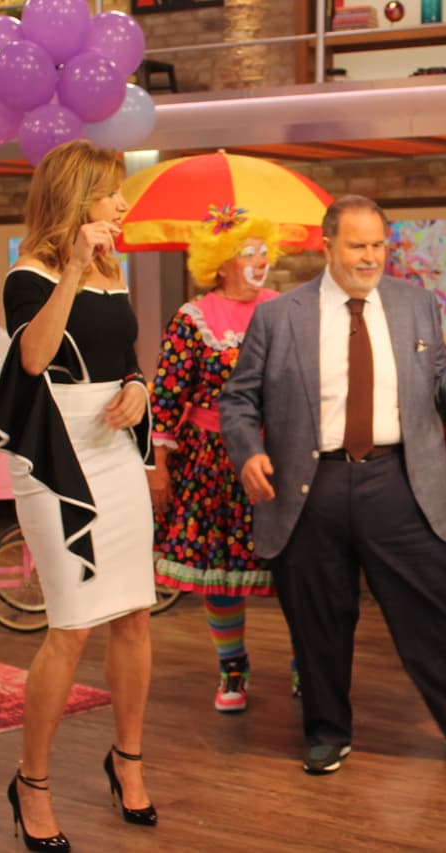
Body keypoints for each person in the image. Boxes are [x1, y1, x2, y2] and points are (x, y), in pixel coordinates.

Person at [219, 194, 446, 775]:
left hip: (401, 480)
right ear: (328, 247)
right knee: (318, 618)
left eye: (378, 245)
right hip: (309, 486)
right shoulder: (279, 316)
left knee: (435, 607)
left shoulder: (416, 303)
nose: (371, 257)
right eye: (358, 246)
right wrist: (248, 453)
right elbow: (239, 400)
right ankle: (326, 732)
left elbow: (438, 377)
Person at [0, 140, 158, 851]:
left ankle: (128, 760)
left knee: (134, 614)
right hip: (57, 455)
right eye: (112, 191)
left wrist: (139, 388)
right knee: (72, 624)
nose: (122, 203)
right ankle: (31, 781)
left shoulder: (117, 269)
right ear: (77, 196)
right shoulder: (27, 275)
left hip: (115, 448)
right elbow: (34, 357)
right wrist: (74, 269)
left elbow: (124, 358)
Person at [147, 206, 289, 713]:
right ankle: (232, 668)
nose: (261, 261)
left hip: (279, 457)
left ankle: (308, 662)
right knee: (221, 572)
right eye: (248, 252)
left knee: (296, 568)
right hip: (211, 463)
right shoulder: (194, 319)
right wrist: (158, 466)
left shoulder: (285, 310)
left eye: (264, 251)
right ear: (221, 262)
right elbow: (166, 397)